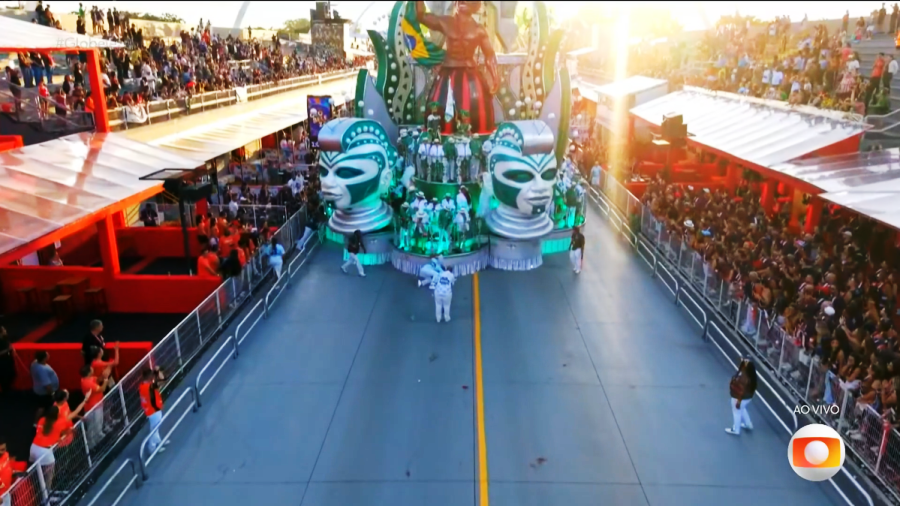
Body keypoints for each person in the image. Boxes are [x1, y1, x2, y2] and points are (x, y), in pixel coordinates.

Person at [31, 405, 71, 487]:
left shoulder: (42, 419)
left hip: (33, 448)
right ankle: (47, 493)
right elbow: (66, 431)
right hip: (45, 452)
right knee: (48, 476)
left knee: (37, 473)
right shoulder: (58, 423)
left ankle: (36, 488)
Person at [139, 367, 168, 454]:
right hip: (153, 411)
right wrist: (158, 371)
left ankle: (159, 441)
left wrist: (156, 374)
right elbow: (163, 380)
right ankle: (152, 447)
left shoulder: (142, 386)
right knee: (154, 429)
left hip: (151, 410)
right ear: (149, 377)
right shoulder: (149, 387)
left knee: (156, 427)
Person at [726, 358, 757, 436]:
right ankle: (748, 424)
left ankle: (736, 429)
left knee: (736, 412)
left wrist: (738, 401)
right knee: (742, 409)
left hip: (738, 397)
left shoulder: (743, 377)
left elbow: (740, 390)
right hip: (748, 397)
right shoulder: (752, 375)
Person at [0, 437, 14, 506]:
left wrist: (14, 472)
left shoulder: (6, 455)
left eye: (5, 448)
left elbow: (7, 468)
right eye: (2, 450)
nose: (4, 451)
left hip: (6, 492)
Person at [0, 327, 14, 395]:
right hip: (2, 362)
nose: (5, 331)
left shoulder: (5, 339)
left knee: (12, 374)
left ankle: (7, 389)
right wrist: (8, 350)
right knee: (4, 376)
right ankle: (5, 391)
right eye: (4, 330)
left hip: (8, 360)